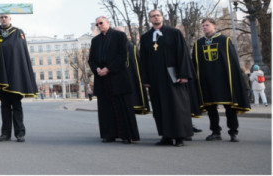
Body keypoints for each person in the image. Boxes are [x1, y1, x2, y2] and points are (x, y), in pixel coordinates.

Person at [139, 9, 193, 147]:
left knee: (177, 106)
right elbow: (143, 60)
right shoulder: (145, 37)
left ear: (162, 17)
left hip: (173, 76)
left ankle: (180, 136)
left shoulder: (174, 33)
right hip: (155, 78)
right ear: (150, 19)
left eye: (158, 15)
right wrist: (145, 79)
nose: (156, 18)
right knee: (160, 107)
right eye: (153, 16)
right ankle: (166, 136)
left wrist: (183, 74)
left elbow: (182, 54)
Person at [193, 18, 251, 142]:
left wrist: (234, 79)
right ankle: (215, 132)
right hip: (207, 81)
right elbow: (194, 64)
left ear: (214, 26)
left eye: (207, 25)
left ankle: (233, 132)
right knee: (211, 108)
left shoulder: (224, 40)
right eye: (203, 26)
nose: (204, 28)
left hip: (224, 80)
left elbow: (232, 61)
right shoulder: (198, 43)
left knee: (229, 107)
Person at [0, 14, 38, 143]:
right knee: (4, 106)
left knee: (16, 105)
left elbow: (15, 48)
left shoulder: (17, 32)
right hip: (0, 77)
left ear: (10, 19)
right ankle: (5, 133)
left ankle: (20, 133)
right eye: (1, 17)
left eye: (6, 17)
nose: (3, 19)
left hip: (14, 75)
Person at [88, 17, 140, 144]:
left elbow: (122, 56)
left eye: (101, 23)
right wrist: (97, 69)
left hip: (118, 77)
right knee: (105, 109)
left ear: (108, 23)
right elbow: (91, 59)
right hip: (102, 79)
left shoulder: (119, 36)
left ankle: (126, 135)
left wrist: (108, 68)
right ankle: (109, 134)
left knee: (123, 107)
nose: (99, 25)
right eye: (97, 24)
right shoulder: (95, 40)